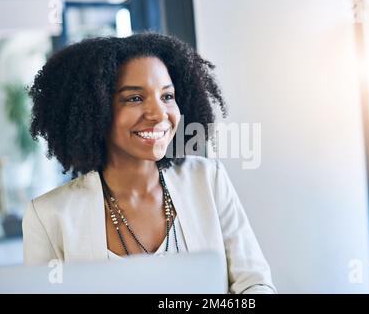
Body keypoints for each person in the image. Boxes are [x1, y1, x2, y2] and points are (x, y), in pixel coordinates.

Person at [22, 32, 276, 294]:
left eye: (167, 96)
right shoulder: (48, 217)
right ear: (95, 110)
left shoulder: (208, 179)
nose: (158, 114)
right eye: (134, 98)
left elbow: (255, 283)